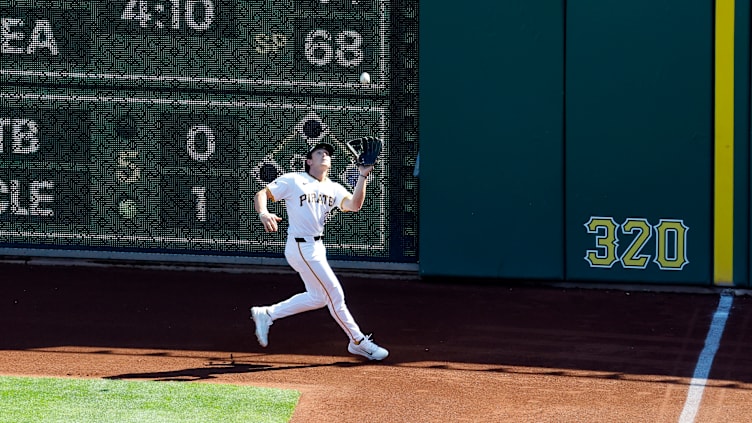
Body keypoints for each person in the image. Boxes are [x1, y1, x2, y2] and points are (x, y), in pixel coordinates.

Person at [250, 142, 389, 361]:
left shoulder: (333, 187)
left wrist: (363, 176)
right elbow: (262, 193)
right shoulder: (295, 180)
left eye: (327, 154)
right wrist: (263, 213)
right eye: (319, 153)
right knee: (335, 294)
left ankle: (267, 313)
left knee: (318, 297)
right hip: (300, 246)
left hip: (316, 247)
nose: (325, 155)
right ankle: (358, 341)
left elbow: (354, 205)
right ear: (308, 161)